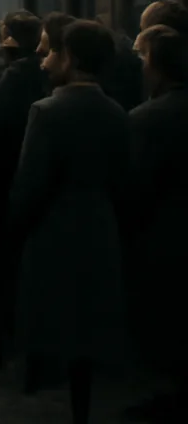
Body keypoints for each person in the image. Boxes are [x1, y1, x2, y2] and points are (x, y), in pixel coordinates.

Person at [10, 19, 130, 424]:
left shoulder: (46, 112)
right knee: (88, 328)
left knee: (54, 320)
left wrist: (16, 229)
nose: (43, 62)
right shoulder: (116, 112)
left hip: (54, 232)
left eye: (50, 53)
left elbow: (30, 185)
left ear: (70, 58)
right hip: (100, 229)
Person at [124, 24, 188, 422]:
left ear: (157, 66)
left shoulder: (146, 119)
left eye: (143, 57)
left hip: (162, 238)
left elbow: (136, 186)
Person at [0, 10, 48, 368]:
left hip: (3, 182)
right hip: (38, 185)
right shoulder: (49, 74)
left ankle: (0, 337)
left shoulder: (8, 81)